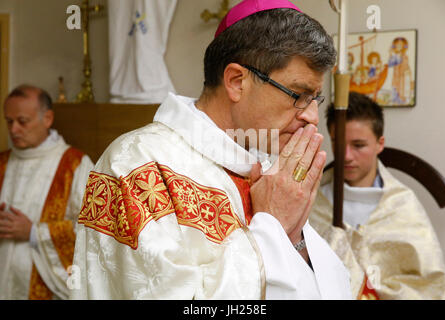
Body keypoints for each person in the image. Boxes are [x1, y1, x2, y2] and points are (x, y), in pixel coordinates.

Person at [70, 0, 352, 300]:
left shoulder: (267, 162)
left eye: (315, 99)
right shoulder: (136, 166)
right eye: (299, 94)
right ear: (236, 82)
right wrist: (274, 229)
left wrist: (293, 238)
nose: (312, 116)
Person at [309, 91, 445, 299]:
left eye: (358, 145)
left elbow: (430, 286)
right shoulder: (311, 200)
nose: (346, 156)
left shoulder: (402, 205)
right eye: (338, 143)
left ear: (379, 144)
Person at [0, 85, 94, 299]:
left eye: (22, 121)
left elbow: (92, 231)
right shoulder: (2, 163)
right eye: (9, 121)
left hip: (49, 289)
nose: (13, 130)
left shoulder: (74, 165)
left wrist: (34, 232)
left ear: (48, 118)